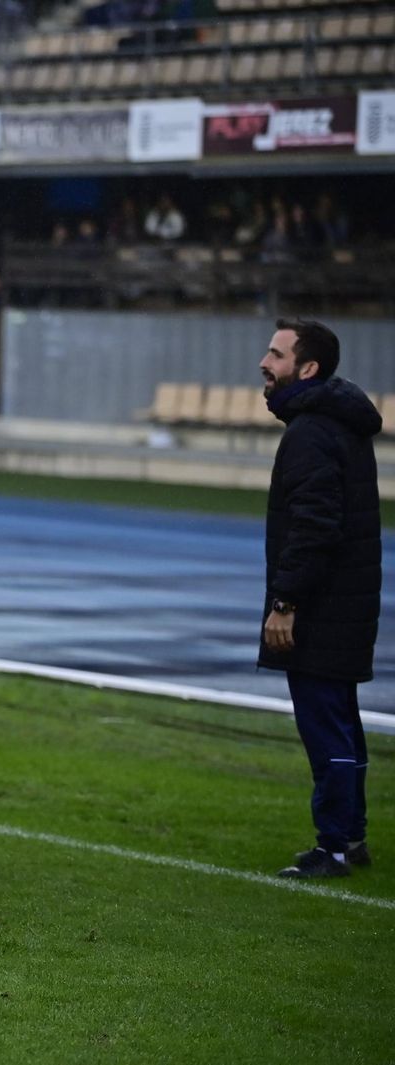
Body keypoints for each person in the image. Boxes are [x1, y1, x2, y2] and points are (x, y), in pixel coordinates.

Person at [259, 318, 381, 879]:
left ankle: (332, 847)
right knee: (343, 723)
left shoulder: (310, 432)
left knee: (325, 727)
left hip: (321, 608)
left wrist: (285, 603)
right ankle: (351, 838)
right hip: (347, 604)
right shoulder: (341, 424)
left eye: (276, 355)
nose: (265, 364)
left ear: (307, 369)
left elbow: (314, 525)